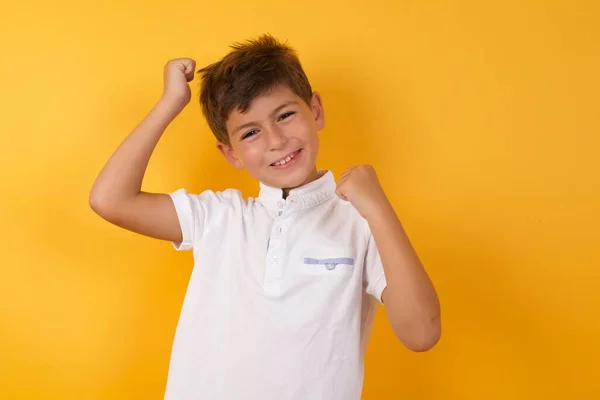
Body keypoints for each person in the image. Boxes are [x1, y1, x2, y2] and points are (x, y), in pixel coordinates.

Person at [89, 34, 441, 400]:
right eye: (251, 132)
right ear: (231, 154)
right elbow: (110, 200)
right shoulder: (219, 217)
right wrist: (170, 103)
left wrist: (378, 209)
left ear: (315, 110)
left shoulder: (361, 223)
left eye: (285, 115)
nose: (275, 140)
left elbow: (421, 334)